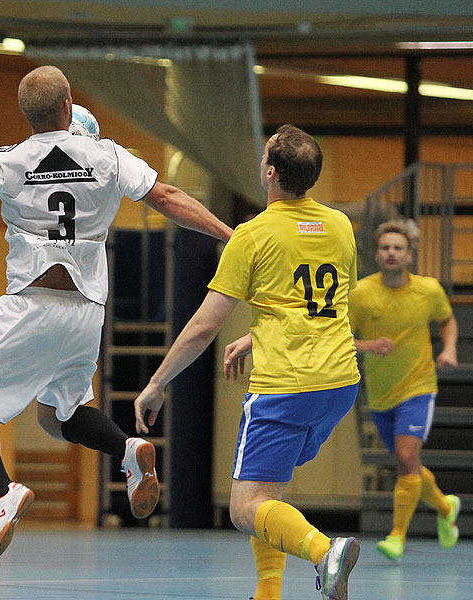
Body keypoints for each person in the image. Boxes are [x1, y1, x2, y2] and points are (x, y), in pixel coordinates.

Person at [0, 65, 233, 561]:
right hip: (86, 313)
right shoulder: (107, 155)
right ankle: (127, 451)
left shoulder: (5, 161)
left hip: (32, 304)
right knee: (62, 416)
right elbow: (168, 197)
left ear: (26, 114)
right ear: (68, 104)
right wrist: (232, 236)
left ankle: (1, 495)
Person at [135, 125, 360, 600]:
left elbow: (202, 326)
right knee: (268, 494)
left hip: (287, 386)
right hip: (339, 383)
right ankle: (268, 593)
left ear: (270, 173)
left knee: (244, 507)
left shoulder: (252, 235)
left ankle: (324, 552)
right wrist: (257, 335)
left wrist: (157, 383)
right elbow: (318, 304)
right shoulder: (340, 226)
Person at [347, 220, 460, 562]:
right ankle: (444, 506)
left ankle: (396, 536)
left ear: (409, 255)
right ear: (376, 255)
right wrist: (370, 346)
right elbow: (340, 339)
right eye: (385, 248)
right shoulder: (361, 294)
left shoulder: (428, 290)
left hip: (419, 385)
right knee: (407, 462)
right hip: (381, 394)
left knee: (407, 457)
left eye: (398, 248)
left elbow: (447, 319)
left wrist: (449, 348)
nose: (391, 253)